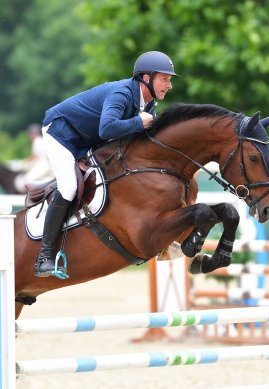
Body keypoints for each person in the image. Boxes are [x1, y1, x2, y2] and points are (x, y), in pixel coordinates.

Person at [34, 50, 178, 278]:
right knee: (69, 187)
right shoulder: (121, 93)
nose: (169, 85)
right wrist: (138, 122)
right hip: (61, 134)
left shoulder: (148, 105)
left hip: (87, 141)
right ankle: (44, 257)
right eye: (165, 79)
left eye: (169, 80)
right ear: (147, 78)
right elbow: (107, 128)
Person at [14, 124, 53, 192]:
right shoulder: (42, 140)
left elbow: (35, 157)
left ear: (33, 133)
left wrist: (24, 162)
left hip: (42, 165)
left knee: (26, 181)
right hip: (47, 165)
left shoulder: (37, 141)